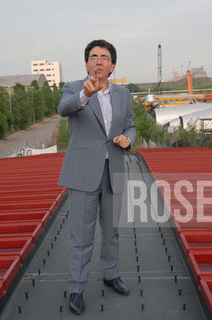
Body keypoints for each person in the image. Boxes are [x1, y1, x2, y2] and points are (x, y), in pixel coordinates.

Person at [57, 39, 136, 314]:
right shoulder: (73, 89)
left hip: (112, 170)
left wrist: (129, 138)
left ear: (112, 65)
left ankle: (111, 274)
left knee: (112, 231)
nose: (99, 61)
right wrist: (85, 95)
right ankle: (76, 289)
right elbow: (63, 108)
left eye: (104, 57)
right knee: (82, 236)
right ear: (87, 64)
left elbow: (130, 125)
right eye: (93, 56)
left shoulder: (123, 95)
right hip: (83, 174)